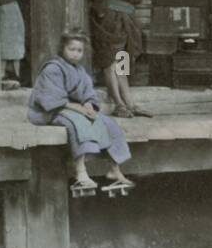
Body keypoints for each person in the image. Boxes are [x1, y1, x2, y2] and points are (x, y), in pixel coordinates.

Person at [28, 34, 133, 194]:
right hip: (51, 110)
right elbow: (51, 98)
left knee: (108, 122)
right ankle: (81, 171)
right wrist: (78, 109)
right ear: (62, 49)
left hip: (74, 108)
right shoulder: (52, 68)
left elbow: (88, 92)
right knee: (79, 122)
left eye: (79, 50)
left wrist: (89, 104)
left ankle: (114, 169)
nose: (76, 54)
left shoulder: (80, 70)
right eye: (71, 49)